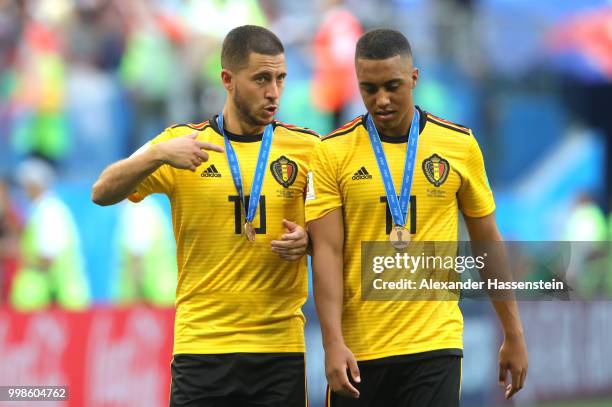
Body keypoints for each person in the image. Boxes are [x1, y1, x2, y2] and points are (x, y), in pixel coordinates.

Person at [92, 25, 319, 406]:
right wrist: (157, 155)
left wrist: (310, 240)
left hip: (279, 349)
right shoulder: (182, 143)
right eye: (261, 79)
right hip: (202, 348)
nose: (273, 92)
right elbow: (102, 192)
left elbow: (338, 237)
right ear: (227, 80)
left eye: (280, 78)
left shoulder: (308, 148)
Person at [306, 29, 528, 406]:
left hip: (434, 345)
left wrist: (513, 332)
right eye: (369, 88)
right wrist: (332, 343)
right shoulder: (331, 153)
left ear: (414, 78)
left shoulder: (458, 145)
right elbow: (326, 252)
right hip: (360, 353)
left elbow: (487, 241)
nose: (381, 100)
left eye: (392, 86)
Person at [10, 158, 90, 311]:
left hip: (61, 303)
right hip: (60, 302)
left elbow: (48, 259)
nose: (23, 190)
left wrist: (20, 258)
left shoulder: (49, 212)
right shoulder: (44, 210)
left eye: (25, 184)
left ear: (34, 185)